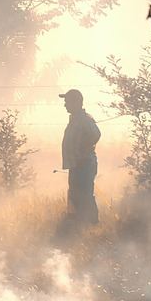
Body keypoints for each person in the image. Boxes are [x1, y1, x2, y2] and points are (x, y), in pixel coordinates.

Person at [59, 89, 101, 232]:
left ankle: (91, 224)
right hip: (77, 163)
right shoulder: (77, 119)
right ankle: (79, 222)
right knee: (76, 192)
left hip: (84, 163)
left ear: (76, 102)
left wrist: (83, 150)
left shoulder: (84, 119)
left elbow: (96, 135)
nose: (65, 105)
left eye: (67, 102)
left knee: (85, 193)